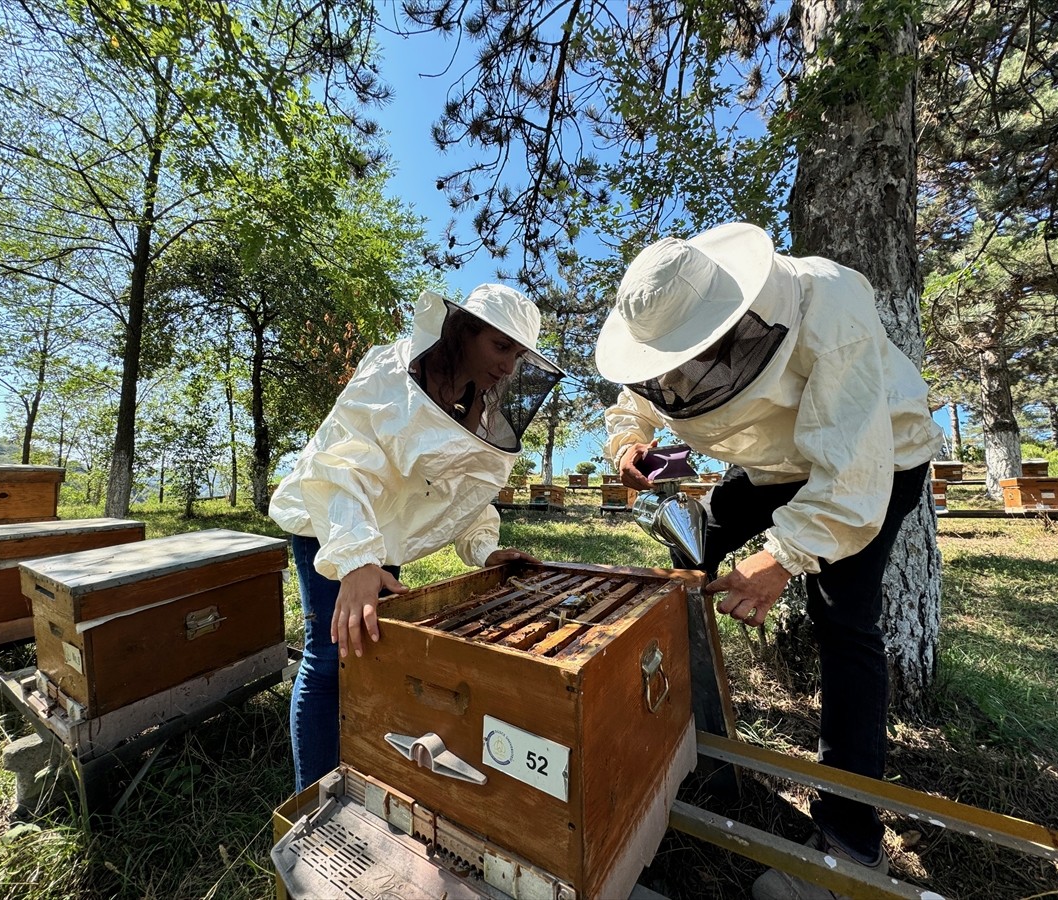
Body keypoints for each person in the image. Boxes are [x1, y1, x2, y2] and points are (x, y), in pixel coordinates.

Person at [596, 223, 942, 899]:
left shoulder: (828, 302)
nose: (678, 369)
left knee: (844, 625)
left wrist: (781, 558)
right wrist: (628, 442)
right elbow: (638, 393)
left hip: (875, 458)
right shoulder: (669, 322)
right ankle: (679, 728)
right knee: (689, 555)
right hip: (771, 463)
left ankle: (850, 849)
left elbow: (850, 473)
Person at [269, 283, 563, 792]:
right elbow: (342, 463)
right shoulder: (390, 371)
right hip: (332, 523)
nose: (510, 367)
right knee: (329, 656)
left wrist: (485, 549)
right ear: (463, 332)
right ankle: (311, 800)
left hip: (382, 542)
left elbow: (460, 492)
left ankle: (362, 772)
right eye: (501, 346)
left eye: (519, 354)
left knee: (371, 654)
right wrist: (358, 559)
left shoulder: (479, 405)